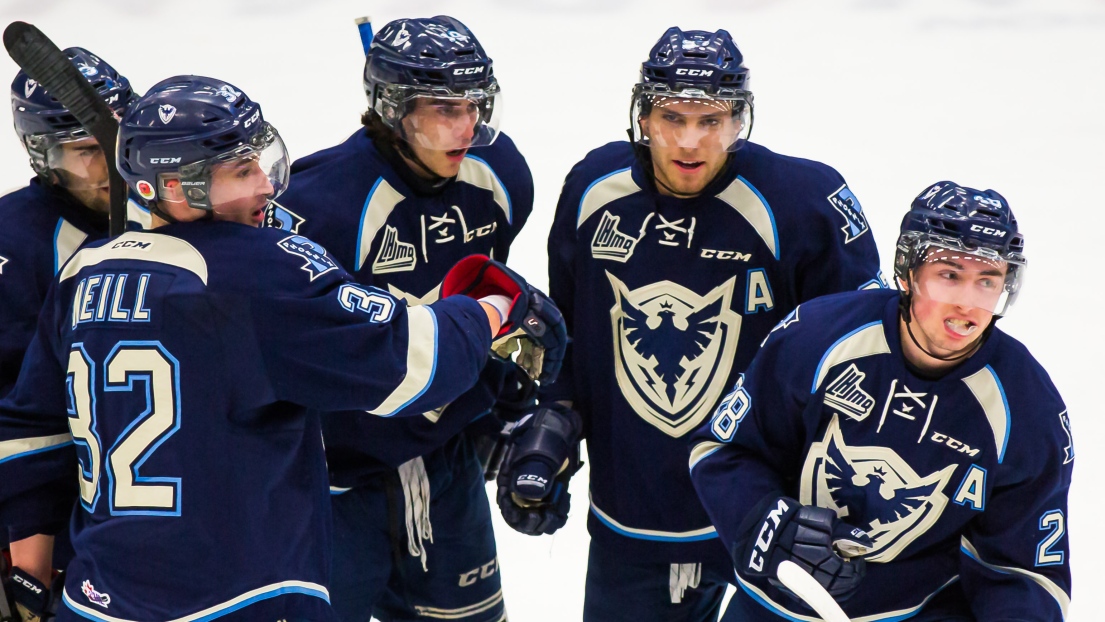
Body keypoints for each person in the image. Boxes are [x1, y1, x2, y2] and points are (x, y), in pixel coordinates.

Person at [0, 75, 564, 622]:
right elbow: (411, 366)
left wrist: (29, 569)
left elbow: (33, 428)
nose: (267, 186)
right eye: (242, 171)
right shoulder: (261, 268)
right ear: (171, 187)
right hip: (241, 596)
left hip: (100, 597)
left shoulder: (82, 272)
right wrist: (489, 309)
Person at [527, 26, 884, 620]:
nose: (689, 141)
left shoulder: (803, 201)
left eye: (711, 120)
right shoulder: (592, 189)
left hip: (768, 518)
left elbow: (866, 355)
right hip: (634, 514)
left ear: (740, 121)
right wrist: (551, 432)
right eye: (672, 117)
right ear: (642, 117)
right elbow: (570, 338)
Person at [690, 181, 1072, 621]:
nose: (968, 305)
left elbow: (1022, 572)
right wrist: (766, 522)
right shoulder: (816, 337)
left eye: (987, 281)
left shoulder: (1027, 408)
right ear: (908, 272)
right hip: (773, 609)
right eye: (949, 275)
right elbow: (722, 449)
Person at [269, 15, 534, 621]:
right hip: (333, 486)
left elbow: (483, 286)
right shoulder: (319, 205)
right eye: (445, 108)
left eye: (475, 104)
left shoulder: (500, 176)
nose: (467, 125)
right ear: (393, 107)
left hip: (446, 468)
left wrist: (492, 403)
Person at [0, 46, 147, 605]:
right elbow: (15, 412)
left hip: (164, 509)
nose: (112, 162)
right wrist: (24, 548)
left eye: (119, 139)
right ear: (43, 152)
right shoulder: (12, 243)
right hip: (51, 524)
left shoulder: (171, 211)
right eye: (89, 149)